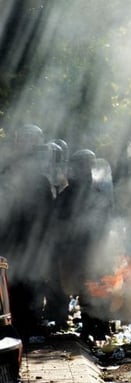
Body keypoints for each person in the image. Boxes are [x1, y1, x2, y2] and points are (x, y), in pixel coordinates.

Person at [0, 124, 57, 338]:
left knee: (32, 281)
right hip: (13, 236)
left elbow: (46, 208)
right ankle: (17, 326)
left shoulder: (40, 177)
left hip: (31, 237)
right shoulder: (9, 169)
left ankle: (30, 323)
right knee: (13, 282)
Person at [52, 149, 114, 337]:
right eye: (82, 165)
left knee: (98, 286)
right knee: (86, 287)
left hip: (95, 247)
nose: (86, 169)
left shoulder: (98, 191)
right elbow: (59, 223)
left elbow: (108, 218)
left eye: (89, 164)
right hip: (77, 250)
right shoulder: (68, 195)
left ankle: (100, 325)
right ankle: (92, 326)